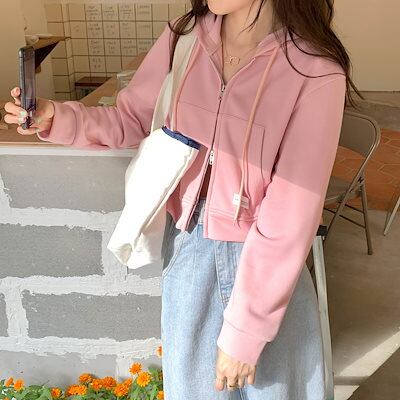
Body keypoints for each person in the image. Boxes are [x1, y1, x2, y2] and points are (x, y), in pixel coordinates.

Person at [5, 0, 363, 398]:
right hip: (188, 249)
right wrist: (57, 117)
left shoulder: (315, 69)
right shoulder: (185, 37)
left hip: (264, 265)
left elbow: (290, 212)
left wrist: (246, 332)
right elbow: (131, 118)